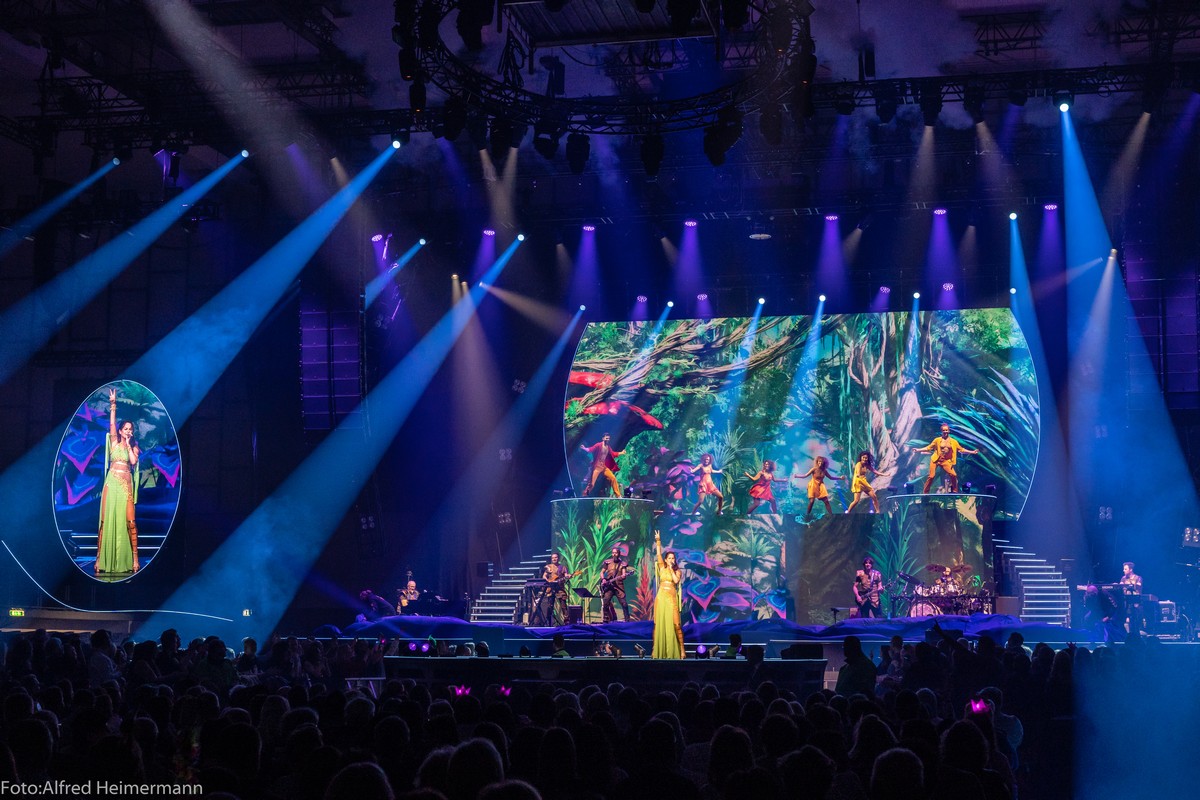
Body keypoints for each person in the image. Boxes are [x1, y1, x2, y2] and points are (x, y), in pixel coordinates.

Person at [96, 387, 140, 575]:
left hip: (125, 485)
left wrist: (129, 445)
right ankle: (99, 558)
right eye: (126, 429)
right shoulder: (113, 442)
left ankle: (135, 558)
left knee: (131, 521)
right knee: (105, 520)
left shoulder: (134, 447)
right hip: (111, 483)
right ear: (121, 431)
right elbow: (112, 424)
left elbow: (133, 462)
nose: (129, 431)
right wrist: (113, 404)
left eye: (131, 429)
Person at [916, 423, 979, 494]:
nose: (945, 432)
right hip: (935, 460)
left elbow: (961, 450)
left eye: (946, 430)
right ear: (941, 431)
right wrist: (918, 450)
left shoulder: (953, 442)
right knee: (931, 476)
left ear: (949, 431)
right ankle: (925, 492)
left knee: (953, 475)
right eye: (944, 430)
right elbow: (928, 448)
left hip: (945, 461)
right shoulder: (937, 440)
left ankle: (955, 491)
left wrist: (972, 452)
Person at [651, 531, 684, 659]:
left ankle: (682, 649)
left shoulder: (677, 571)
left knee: (676, 624)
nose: (671, 560)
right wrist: (658, 541)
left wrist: (671, 569)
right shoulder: (661, 567)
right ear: (665, 559)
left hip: (671, 598)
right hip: (661, 597)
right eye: (669, 558)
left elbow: (675, 581)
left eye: (672, 558)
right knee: (657, 624)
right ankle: (655, 649)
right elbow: (658, 553)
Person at [580, 433, 625, 497]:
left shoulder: (608, 447)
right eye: (606, 438)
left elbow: (613, 454)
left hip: (604, 467)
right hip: (597, 467)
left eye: (609, 438)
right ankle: (585, 494)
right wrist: (584, 448)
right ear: (603, 438)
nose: (608, 440)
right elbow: (591, 449)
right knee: (592, 484)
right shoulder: (598, 445)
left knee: (613, 478)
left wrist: (621, 453)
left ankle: (618, 495)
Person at [541, 553, 578, 625]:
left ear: (558, 558)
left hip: (560, 588)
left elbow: (566, 575)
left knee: (563, 605)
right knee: (550, 606)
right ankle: (548, 622)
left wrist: (569, 576)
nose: (554, 559)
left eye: (556, 557)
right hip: (551, 588)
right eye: (553, 558)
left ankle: (567, 622)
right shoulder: (549, 567)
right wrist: (548, 581)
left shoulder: (563, 567)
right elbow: (544, 576)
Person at [599, 546, 633, 622]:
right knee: (606, 602)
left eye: (616, 553)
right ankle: (606, 619)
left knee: (624, 604)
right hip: (609, 586)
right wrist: (603, 579)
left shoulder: (623, 564)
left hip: (619, 586)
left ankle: (627, 620)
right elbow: (602, 572)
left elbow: (624, 575)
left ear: (619, 554)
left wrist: (623, 576)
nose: (614, 554)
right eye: (613, 553)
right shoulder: (608, 562)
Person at [1119, 561, 1143, 634]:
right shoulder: (1123, 578)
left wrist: (1130, 586)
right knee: (1127, 619)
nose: (1123, 570)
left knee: (1135, 620)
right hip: (1126, 602)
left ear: (1131, 570)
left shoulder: (1138, 578)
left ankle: (1136, 634)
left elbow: (1138, 587)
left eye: (1125, 569)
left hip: (1136, 602)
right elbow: (1120, 587)